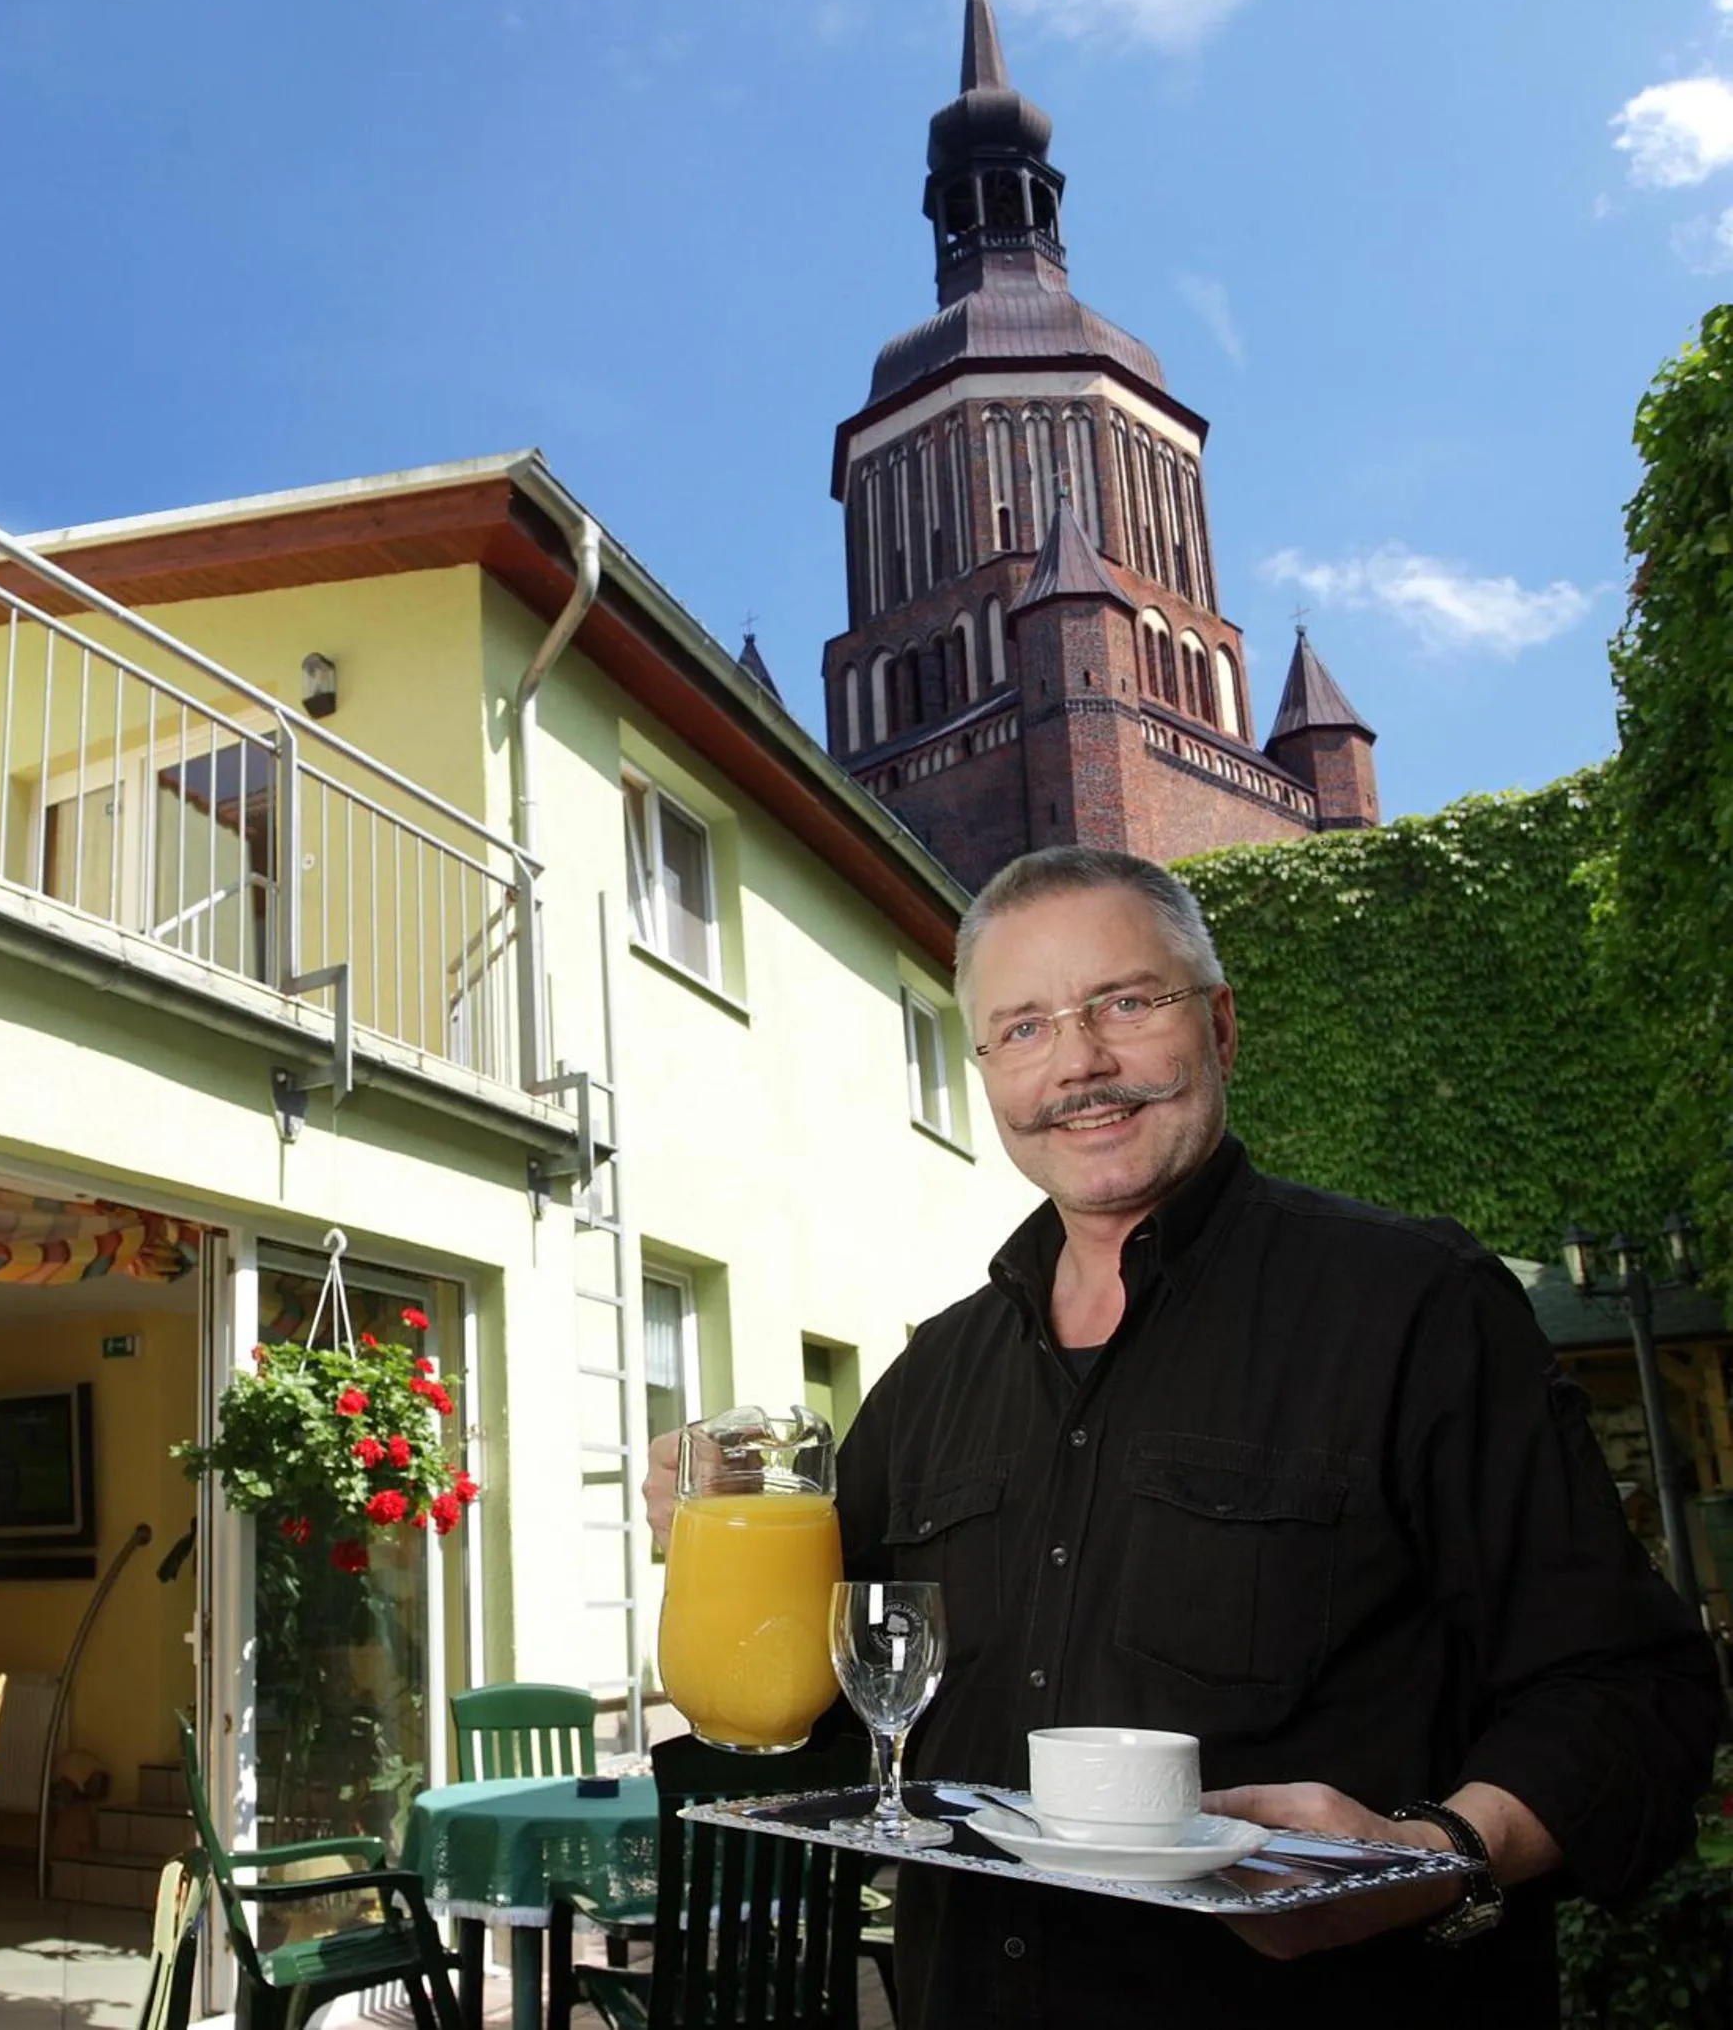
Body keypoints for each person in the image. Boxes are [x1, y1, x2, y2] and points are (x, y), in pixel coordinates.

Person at [644, 846, 1724, 2028]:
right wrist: (720, 1553)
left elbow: (1631, 1687)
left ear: (1220, 1022)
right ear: (989, 1070)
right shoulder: (932, 1373)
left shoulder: (1414, 1304)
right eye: (1025, 1027)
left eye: (1125, 1002)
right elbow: (842, 1709)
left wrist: (1441, 1853)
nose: (1080, 1063)